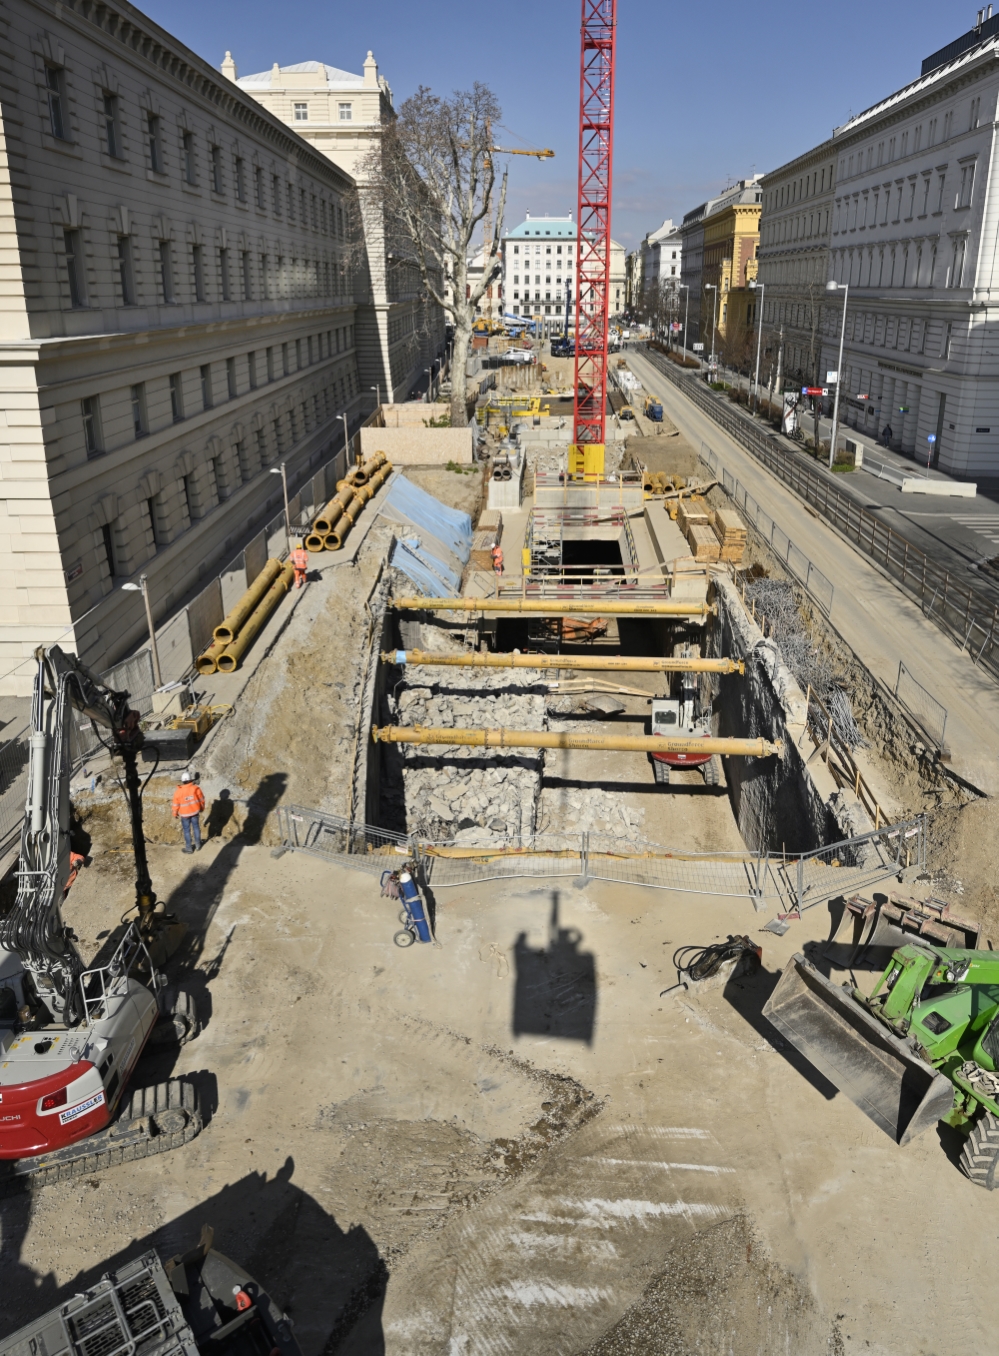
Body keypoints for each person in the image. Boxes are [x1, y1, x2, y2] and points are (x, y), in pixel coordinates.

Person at [172, 771, 205, 853]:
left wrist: (175, 813)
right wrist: (202, 808)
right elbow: (201, 800)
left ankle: (189, 848)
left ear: (182, 781)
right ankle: (198, 845)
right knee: (196, 828)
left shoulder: (178, 792)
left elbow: (175, 804)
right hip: (195, 812)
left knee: (187, 830)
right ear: (191, 780)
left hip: (185, 815)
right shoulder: (196, 788)